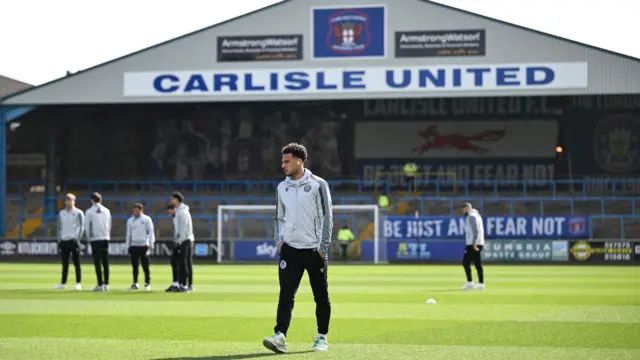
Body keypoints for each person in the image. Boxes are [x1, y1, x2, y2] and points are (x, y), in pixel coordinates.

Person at [262, 143, 333, 354]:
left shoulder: (319, 184)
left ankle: (322, 338)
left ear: (299, 161)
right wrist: (279, 241)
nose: (282, 165)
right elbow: (278, 217)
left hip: (314, 250)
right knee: (285, 294)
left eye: (286, 161)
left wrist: (322, 246)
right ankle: (280, 336)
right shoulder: (281, 187)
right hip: (290, 250)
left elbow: (327, 216)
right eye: (282, 161)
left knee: (320, 295)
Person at [54, 193, 84, 290]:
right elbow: (59, 227)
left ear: (74, 201)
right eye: (67, 200)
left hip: (73, 241)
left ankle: (78, 283)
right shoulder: (61, 213)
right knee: (65, 263)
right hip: (64, 241)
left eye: (70, 200)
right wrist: (59, 240)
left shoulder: (79, 213)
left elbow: (81, 227)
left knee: (77, 263)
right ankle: (63, 283)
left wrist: (77, 239)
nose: (68, 202)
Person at [84, 192, 112, 292]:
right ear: (100, 200)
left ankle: (100, 284)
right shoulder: (107, 211)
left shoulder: (89, 212)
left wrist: (88, 238)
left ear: (92, 200)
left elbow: (87, 226)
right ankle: (106, 284)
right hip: (105, 238)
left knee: (97, 262)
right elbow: (109, 224)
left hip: (95, 239)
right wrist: (107, 235)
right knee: (105, 262)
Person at [126, 203, 155, 291]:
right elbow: (128, 234)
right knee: (134, 266)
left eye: (137, 211)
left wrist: (151, 243)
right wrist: (128, 245)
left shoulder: (146, 219)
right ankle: (135, 283)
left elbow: (151, 232)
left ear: (141, 210)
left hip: (143, 245)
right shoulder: (130, 220)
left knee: (145, 266)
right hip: (134, 245)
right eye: (134, 211)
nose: (135, 212)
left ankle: (147, 283)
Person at [171, 191, 195, 291]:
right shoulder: (180, 211)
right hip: (185, 240)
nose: (171, 201)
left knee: (183, 263)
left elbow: (183, 229)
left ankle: (184, 285)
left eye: (172, 199)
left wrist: (179, 242)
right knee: (185, 262)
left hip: (185, 240)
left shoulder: (182, 212)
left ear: (176, 199)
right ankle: (185, 284)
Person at [462, 202, 485, 290]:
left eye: (464, 209)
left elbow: (475, 230)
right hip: (479, 242)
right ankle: (480, 283)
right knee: (477, 263)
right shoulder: (477, 215)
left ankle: (470, 283)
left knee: (465, 262)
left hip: (473, 243)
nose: (463, 211)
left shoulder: (471, 216)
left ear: (467, 208)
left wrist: (474, 242)